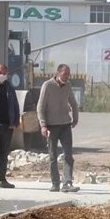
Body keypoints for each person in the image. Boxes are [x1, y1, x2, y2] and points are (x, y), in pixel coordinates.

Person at [36, 64, 80, 192]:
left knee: (68, 155)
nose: (67, 77)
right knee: (52, 156)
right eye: (65, 74)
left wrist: (75, 118)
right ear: (58, 73)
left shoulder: (68, 85)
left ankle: (67, 183)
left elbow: (73, 103)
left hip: (65, 125)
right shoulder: (48, 86)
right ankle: (55, 183)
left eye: (68, 74)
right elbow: (40, 107)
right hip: (51, 126)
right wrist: (43, 125)